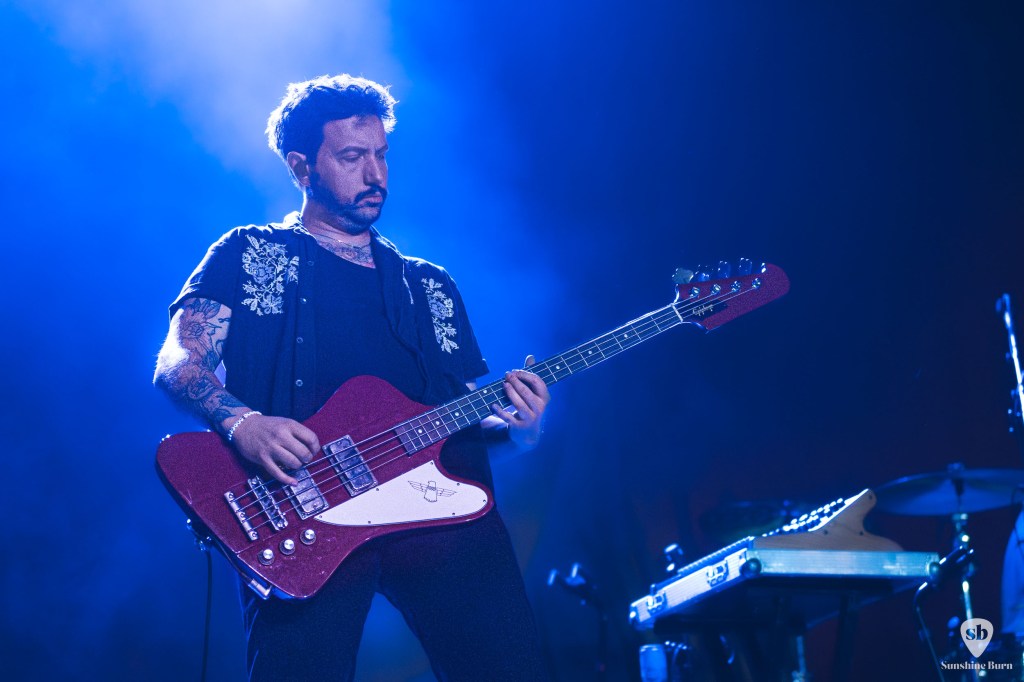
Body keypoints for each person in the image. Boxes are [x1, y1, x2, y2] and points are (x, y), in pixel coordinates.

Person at [154, 74, 550, 681]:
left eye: (382, 155)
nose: (376, 175)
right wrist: (243, 423)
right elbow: (179, 363)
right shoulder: (249, 252)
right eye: (351, 157)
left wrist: (518, 430)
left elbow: (465, 417)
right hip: (301, 510)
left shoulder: (430, 285)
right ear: (301, 166)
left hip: (443, 520)